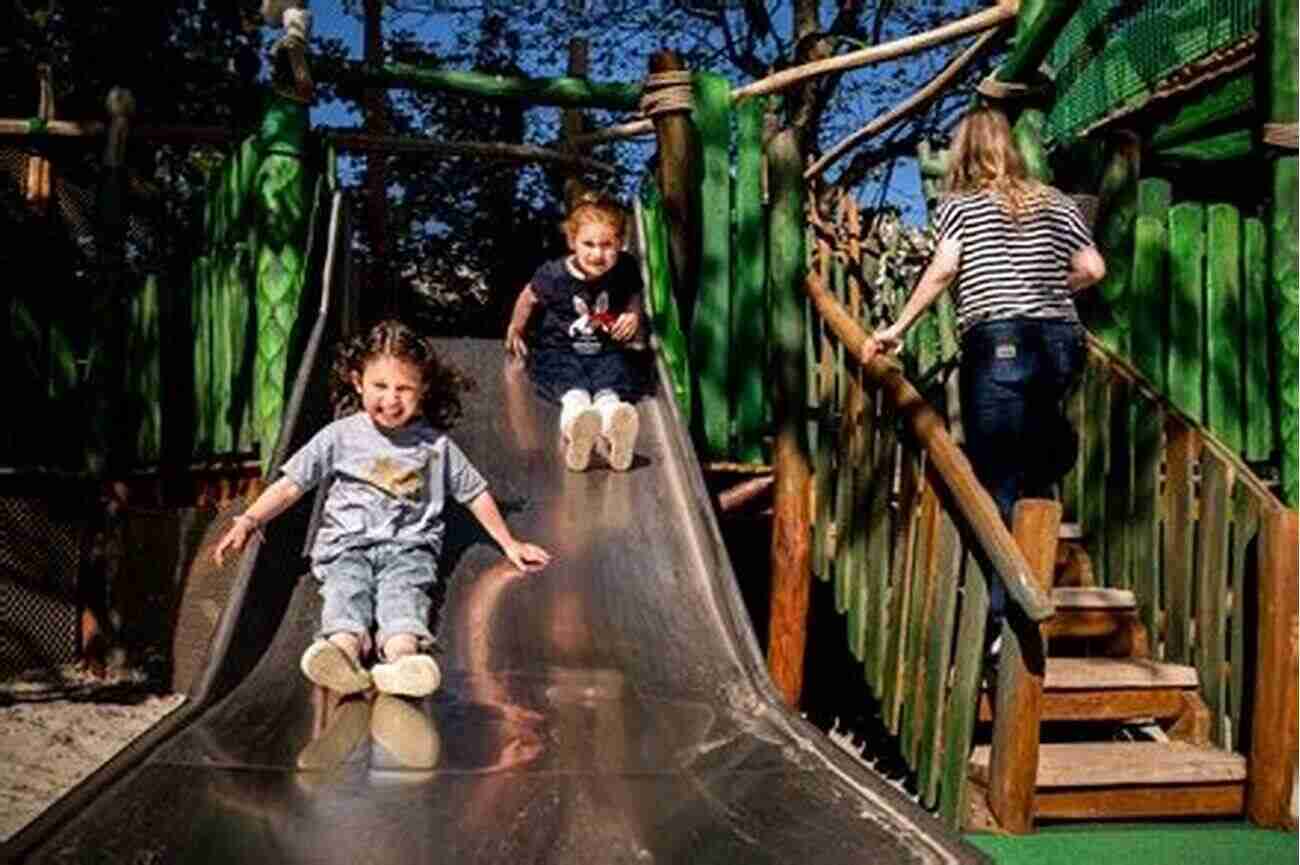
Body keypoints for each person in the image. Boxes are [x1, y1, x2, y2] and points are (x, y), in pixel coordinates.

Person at [213, 319, 551, 698]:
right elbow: (292, 485)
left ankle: (402, 661)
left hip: (408, 549)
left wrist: (509, 544)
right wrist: (250, 518)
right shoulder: (338, 436)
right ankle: (342, 654)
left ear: (422, 391)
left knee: (404, 599)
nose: (391, 398)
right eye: (380, 386)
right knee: (346, 592)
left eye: (404, 388)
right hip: (347, 545)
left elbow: (474, 493)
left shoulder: (435, 446)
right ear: (358, 382)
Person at [862, 105, 1106, 616]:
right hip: (1061, 343)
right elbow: (1092, 267)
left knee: (998, 477)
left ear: (965, 152)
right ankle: (1041, 588)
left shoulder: (961, 204)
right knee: (1036, 473)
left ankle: (1002, 614)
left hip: (999, 341)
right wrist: (1045, 290)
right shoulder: (1057, 203)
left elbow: (944, 268)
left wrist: (898, 327)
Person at [504, 192, 647, 472]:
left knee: (610, 390)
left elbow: (634, 293)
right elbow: (528, 296)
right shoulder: (554, 275)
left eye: (607, 245)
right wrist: (516, 327)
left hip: (605, 351)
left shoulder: (625, 268)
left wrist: (633, 314)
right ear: (572, 243)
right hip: (560, 351)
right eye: (589, 244)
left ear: (620, 243)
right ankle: (578, 431)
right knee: (574, 393)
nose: (597, 253)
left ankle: (615, 428)